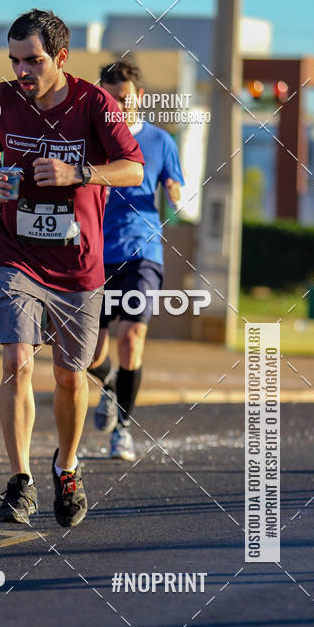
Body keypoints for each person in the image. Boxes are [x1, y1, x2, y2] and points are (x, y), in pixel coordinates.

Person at [0, 10, 144, 527]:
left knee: (71, 377)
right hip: (15, 253)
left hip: (77, 265)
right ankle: (20, 481)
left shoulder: (95, 103)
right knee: (15, 361)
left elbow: (134, 169)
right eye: (15, 60)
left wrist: (81, 171)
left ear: (61, 58)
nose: (22, 70)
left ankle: (66, 468)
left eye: (33, 60)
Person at [89, 59, 184, 461]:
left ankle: (123, 431)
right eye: (110, 100)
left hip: (142, 251)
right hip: (93, 252)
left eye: (125, 99)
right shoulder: (94, 139)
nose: (119, 107)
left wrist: (175, 191)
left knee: (131, 338)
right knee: (90, 353)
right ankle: (109, 385)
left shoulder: (161, 141)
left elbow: (175, 186)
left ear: (140, 97)